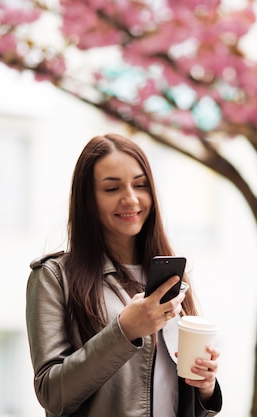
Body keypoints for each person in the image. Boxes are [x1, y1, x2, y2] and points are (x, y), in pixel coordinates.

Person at [26, 133, 223, 417]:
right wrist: (124, 331)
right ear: (88, 199)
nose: (130, 199)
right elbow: (52, 395)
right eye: (112, 188)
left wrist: (205, 387)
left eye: (140, 185)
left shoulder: (172, 277)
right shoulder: (53, 278)